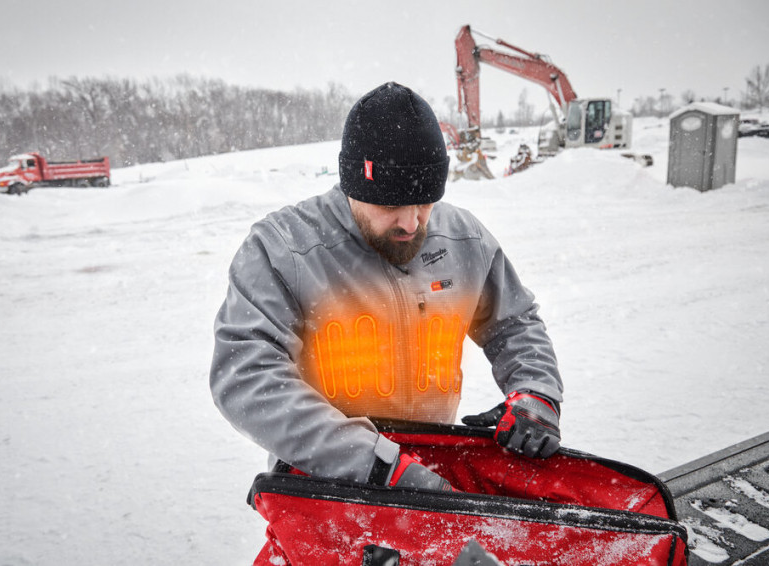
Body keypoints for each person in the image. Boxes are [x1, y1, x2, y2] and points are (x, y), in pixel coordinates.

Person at [210, 82, 563, 495]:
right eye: (391, 205)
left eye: (425, 203)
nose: (412, 223)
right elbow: (246, 376)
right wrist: (375, 465)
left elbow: (513, 323)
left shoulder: (464, 239)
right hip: (329, 487)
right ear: (353, 186)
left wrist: (536, 393)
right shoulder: (282, 250)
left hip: (431, 478)